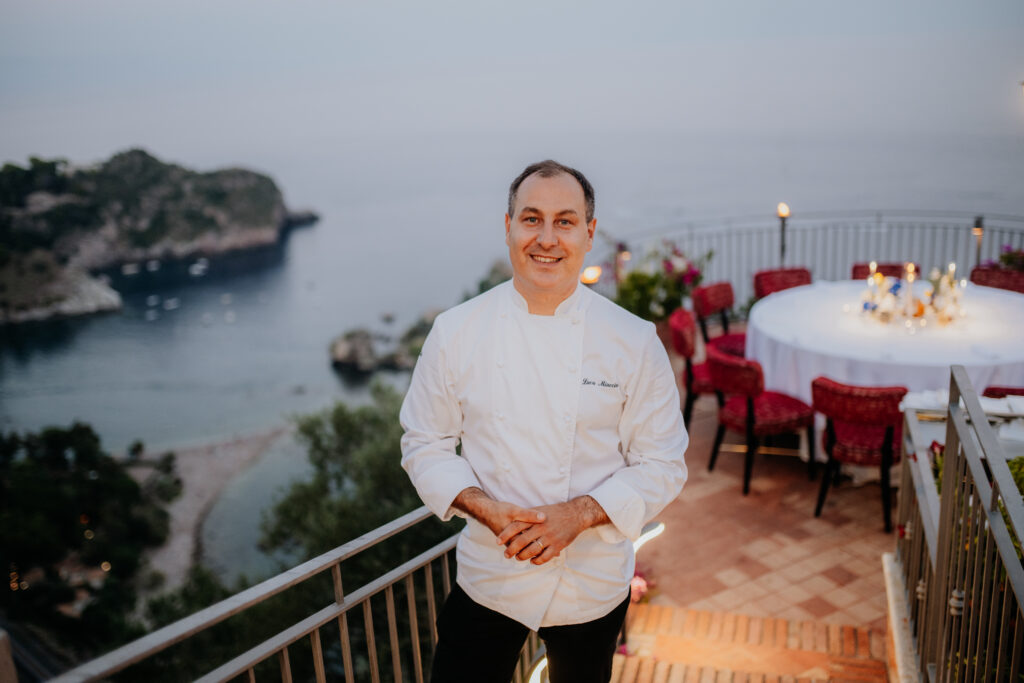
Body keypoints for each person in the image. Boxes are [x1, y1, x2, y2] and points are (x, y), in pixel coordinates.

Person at [400, 160, 688, 683]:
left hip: (590, 582)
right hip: (491, 573)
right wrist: (485, 508)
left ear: (589, 233)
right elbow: (425, 442)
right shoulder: (455, 331)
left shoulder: (633, 341)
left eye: (565, 221)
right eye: (531, 219)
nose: (547, 239)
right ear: (508, 226)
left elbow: (663, 463)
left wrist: (578, 515)